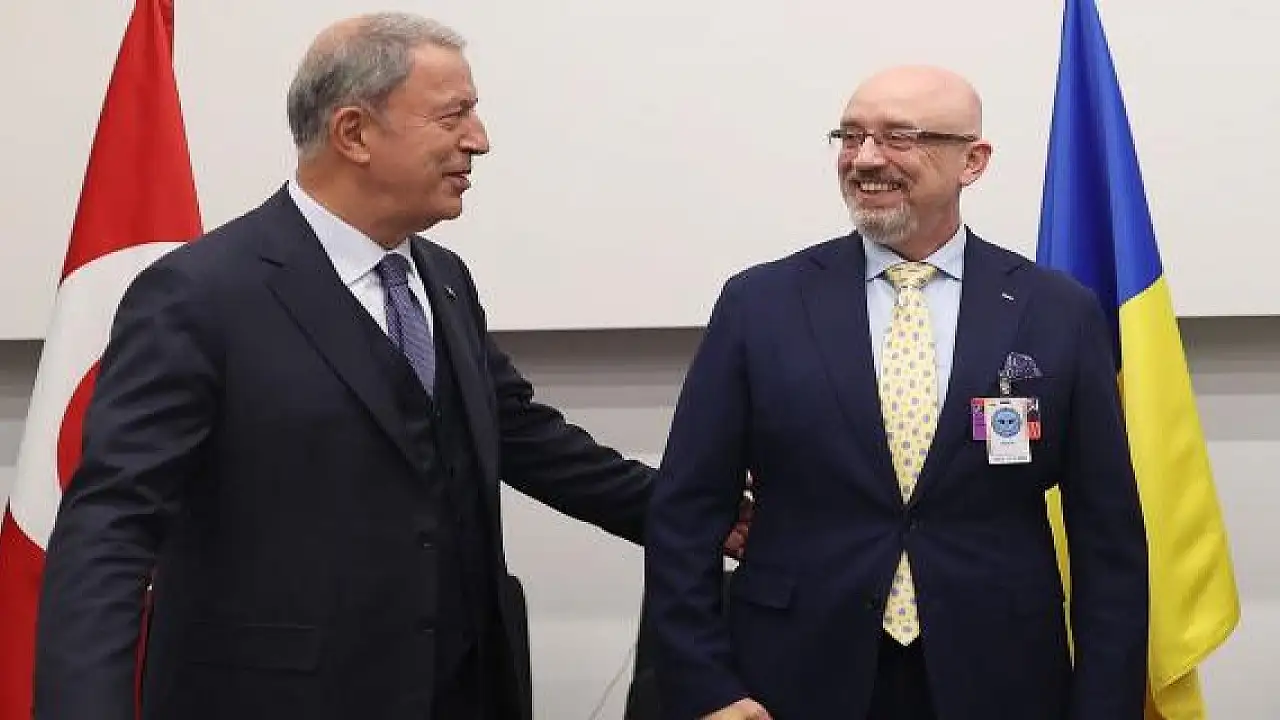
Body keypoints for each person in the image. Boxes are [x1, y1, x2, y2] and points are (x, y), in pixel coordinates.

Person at [33, 13, 744, 720]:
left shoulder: (444, 280)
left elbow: (525, 438)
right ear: (354, 133)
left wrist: (702, 516)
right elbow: (113, 526)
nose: (479, 140)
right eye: (453, 115)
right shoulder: (199, 294)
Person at [642, 65, 1149, 720]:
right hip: (792, 675)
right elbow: (686, 512)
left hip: (1001, 676)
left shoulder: (1056, 310)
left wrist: (1104, 706)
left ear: (972, 161)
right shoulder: (760, 304)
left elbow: (1108, 537)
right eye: (850, 136)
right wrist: (705, 685)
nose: (865, 159)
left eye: (898, 137)